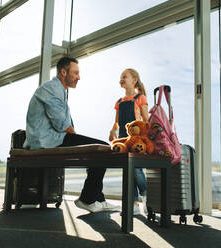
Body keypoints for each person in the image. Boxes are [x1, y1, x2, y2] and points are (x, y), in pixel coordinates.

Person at [23, 56, 119, 213]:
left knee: (97, 151)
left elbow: (67, 125)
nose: (79, 77)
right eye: (75, 73)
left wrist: (77, 139)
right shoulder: (52, 88)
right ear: (63, 72)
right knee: (103, 148)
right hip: (46, 141)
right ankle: (88, 200)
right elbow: (61, 124)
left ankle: (97, 199)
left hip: (54, 138)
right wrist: (77, 140)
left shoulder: (60, 90)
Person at [109, 68, 149, 215]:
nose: (121, 79)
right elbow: (116, 123)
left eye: (124, 76)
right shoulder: (119, 102)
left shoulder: (140, 98)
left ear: (134, 80)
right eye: (120, 77)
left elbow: (146, 120)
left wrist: (148, 138)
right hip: (122, 140)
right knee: (128, 171)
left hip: (136, 139)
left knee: (136, 169)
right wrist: (112, 131)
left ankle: (146, 195)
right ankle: (132, 205)